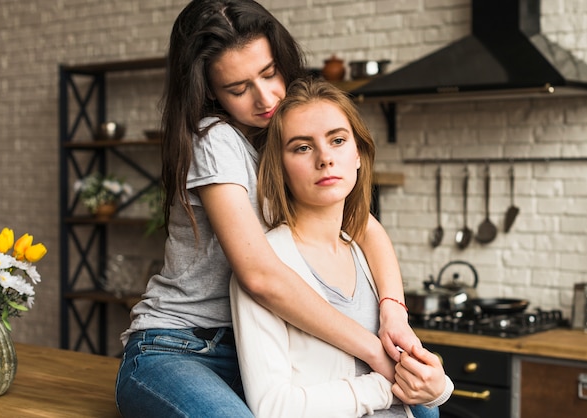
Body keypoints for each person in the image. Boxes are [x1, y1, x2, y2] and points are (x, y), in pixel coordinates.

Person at [116, 1, 421, 417]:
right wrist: (373, 350)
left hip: (259, 352)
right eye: (238, 89)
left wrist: (393, 312)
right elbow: (258, 275)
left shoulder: (285, 138)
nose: (265, 98)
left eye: (270, 73)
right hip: (181, 348)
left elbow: (364, 225)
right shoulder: (214, 138)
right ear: (208, 91)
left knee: (421, 404)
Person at [230, 77, 453, 417]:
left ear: (359, 154)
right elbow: (274, 409)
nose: (325, 159)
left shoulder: (366, 257)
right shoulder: (267, 263)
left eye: (337, 140)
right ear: (281, 168)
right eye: (302, 147)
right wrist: (387, 386)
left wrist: (438, 387)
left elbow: (414, 372)